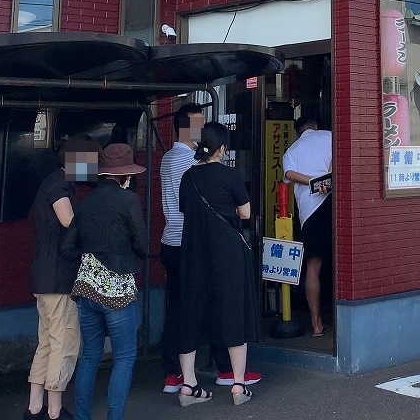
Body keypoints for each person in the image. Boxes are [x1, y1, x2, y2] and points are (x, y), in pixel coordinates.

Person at [159, 104, 261, 393]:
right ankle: (230, 376)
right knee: (224, 307)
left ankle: (183, 379)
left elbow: (183, 206)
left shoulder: (176, 166)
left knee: (185, 310)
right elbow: (242, 211)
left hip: (183, 245)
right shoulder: (208, 170)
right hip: (209, 246)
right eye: (197, 123)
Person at [63, 143, 149, 420]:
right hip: (117, 290)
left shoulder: (85, 202)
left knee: (90, 357)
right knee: (124, 358)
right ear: (125, 175)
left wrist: (92, 255)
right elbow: (144, 245)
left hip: (86, 285)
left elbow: (67, 247)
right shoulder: (129, 201)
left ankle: (82, 417)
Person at [26, 136, 99, 420]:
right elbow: (69, 221)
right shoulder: (58, 186)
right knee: (65, 342)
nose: (92, 168)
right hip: (58, 276)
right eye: (90, 161)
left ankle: (34, 408)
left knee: (47, 341)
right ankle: (55, 411)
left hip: (44, 276)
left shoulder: (53, 181)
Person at [282, 114, 333, 337]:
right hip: (334, 204)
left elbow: (288, 174)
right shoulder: (330, 136)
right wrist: (326, 177)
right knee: (342, 258)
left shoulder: (291, 150)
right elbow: (338, 157)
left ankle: (316, 324)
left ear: (298, 131)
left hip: (309, 212)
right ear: (315, 125)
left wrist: (312, 181)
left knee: (313, 265)